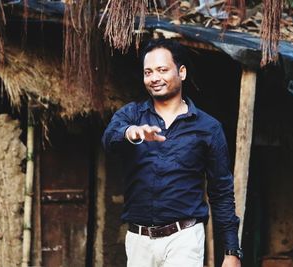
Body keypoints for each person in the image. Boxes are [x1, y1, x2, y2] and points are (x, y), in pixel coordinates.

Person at [102, 38, 242, 267]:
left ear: (182, 72)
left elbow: (221, 191)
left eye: (162, 70)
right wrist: (132, 133)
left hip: (184, 239)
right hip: (139, 241)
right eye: (148, 72)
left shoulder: (208, 128)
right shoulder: (131, 115)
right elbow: (109, 139)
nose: (154, 78)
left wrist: (231, 250)